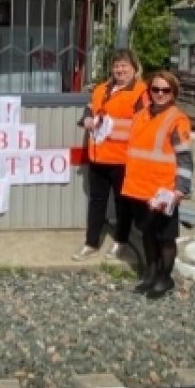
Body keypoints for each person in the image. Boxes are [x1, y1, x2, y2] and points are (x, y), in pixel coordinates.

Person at [121, 69, 193, 299]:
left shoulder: (177, 120)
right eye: (155, 89)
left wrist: (180, 189)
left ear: (173, 93)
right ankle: (151, 273)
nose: (160, 94)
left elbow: (185, 159)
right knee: (147, 234)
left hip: (164, 191)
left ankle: (165, 277)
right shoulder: (141, 115)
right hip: (140, 189)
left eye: (165, 90)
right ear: (149, 91)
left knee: (165, 237)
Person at [73, 49, 146, 261]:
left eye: (124, 65)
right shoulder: (101, 89)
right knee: (96, 201)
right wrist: (86, 119)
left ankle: (121, 242)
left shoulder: (141, 92)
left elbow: (144, 124)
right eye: (116, 66)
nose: (120, 70)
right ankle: (91, 242)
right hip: (98, 156)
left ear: (134, 68)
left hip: (123, 158)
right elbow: (89, 110)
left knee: (123, 203)